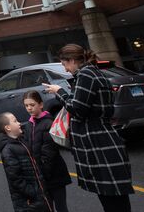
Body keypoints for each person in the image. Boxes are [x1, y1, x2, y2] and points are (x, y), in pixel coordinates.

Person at [42, 44, 134, 212]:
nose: (66, 69)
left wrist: (60, 92)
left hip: (98, 143)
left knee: (110, 198)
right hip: (103, 139)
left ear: (71, 60)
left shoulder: (85, 74)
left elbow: (78, 109)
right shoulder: (94, 72)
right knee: (115, 197)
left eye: (64, 64)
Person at [23, 91, 71, 212]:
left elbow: (49, 154)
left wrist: (41, 175)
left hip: (54, 175)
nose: (29, 108)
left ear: (41, 105)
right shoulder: (29, 125)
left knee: (61, 207)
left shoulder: (49, 123)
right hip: (40, 175)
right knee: (47, 207)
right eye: (26, 105)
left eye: (32, 105)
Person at [0, 112, 52, 212]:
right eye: (15, 121)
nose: (19, 123)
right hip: (29, 201)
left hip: (39, 195)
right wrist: (33, 192)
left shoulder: (22, 141)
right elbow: (16, 179)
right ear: (8, 128)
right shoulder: (8, 151)